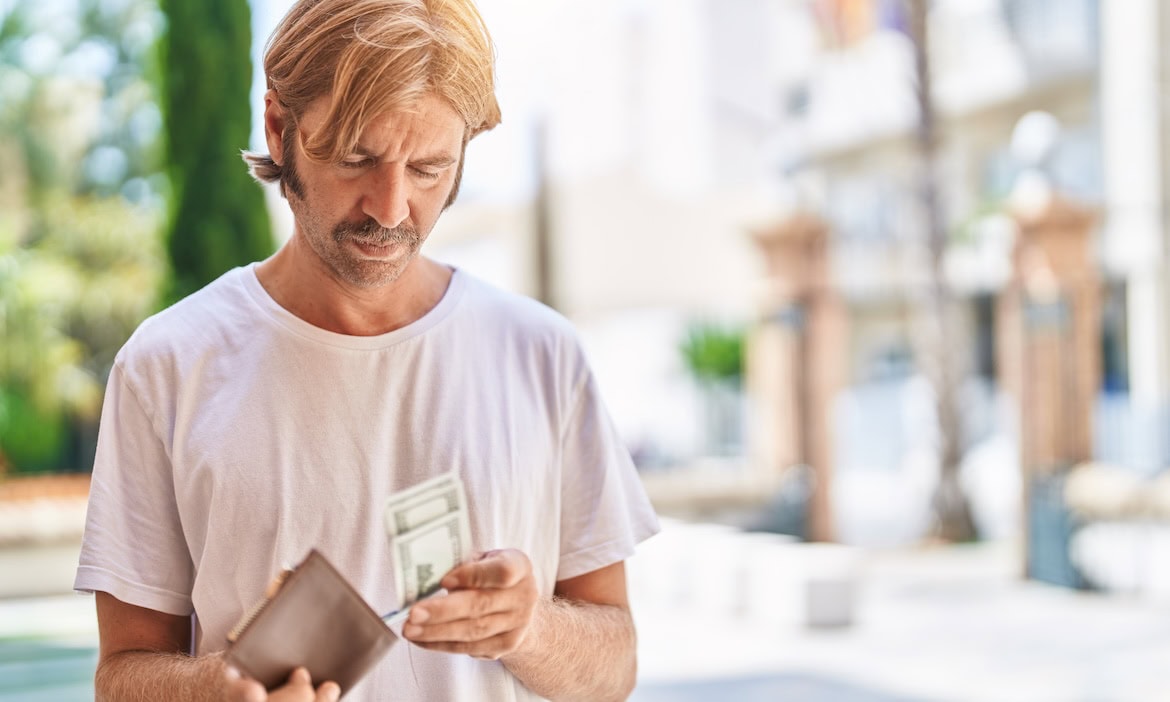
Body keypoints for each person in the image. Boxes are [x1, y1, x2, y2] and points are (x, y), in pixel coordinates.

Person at [73, 0, 660, 699]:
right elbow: (122, 676)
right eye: (359, 158)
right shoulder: (167, 366)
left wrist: (527, 627)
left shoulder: (544, 355)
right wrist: (219, 690)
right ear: (280, 128)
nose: (390, 209)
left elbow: (614, 667)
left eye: (429, 169)